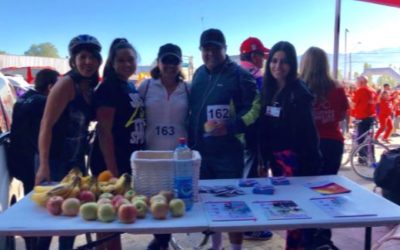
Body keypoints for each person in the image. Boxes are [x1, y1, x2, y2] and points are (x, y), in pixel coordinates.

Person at [188, 28, 259, 250]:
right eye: (205, 49)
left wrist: (231, 127)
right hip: (201, 153)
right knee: (209, 202)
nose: (210, 53)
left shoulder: (239, 75)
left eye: (214, 48)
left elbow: (255, 107)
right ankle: (216, 246)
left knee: (232, 204)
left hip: (229, 153)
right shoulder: (199, 74)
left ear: (224, 49)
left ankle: (236, 247)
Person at [35, 34, 102, 250]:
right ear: (73, 61)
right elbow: (46, 125)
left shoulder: (88, 86)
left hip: (75, 161)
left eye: (92, 57)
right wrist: (44, 164)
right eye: (82, 57)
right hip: (54, 161)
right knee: (47, 223)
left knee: (71, 217)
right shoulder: (66, 84)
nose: (88, 62)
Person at [258, 41, 323, 249]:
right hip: (276, 161)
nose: (278, 66)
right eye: (274, 61)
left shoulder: (298, 92)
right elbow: (265, 127)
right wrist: (263, 157)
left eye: (284, 61)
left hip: (295, 162)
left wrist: (312, 163)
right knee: (286, 209)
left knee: (295, 212)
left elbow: (309, 133)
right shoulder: (269, 89)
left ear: (292, 64)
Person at [90, 38, 145, 250]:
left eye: (130, 59)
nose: (126, 64)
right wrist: (113, 172)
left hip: (127, 161)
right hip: (110, 164)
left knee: (117, 213)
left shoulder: (129, 85)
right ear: (112, 63)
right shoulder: (108, 88)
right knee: (109, 216)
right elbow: (104, 133)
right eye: (121, 60)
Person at [138, 43, 189, 250]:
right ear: (158, 62)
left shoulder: (188, 88)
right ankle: (161, 240)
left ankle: (163, 240)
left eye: (174, 61)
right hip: (152, 156)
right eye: (165, 60)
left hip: (179, 157)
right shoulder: (146, 87)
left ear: (179, 64)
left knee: (176, 199)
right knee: (155, 200)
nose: (169, 65)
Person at [8, 68, 59, 250]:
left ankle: (31, 241)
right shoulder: (42, 102)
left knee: (30, 203)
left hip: (16, 159)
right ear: (51, 86)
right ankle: (35, 243)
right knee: (39, 207)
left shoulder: (22, 98)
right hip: (33, 160)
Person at [239, 37, 273, 241]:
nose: (264, 60)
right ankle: (249, 226)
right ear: (253, 55)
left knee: (242, 178)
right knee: (252, 180)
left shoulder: (233, 72)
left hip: (236, 136)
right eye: (262, 55)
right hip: (254, 137)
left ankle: (242, 222)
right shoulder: (257, 76)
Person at [300, 47, 349, 175]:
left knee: (304, 187)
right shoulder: (337, 88)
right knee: (328, 188)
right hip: (333, 143)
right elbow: (343, 116)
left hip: (306, 144)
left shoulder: (299, 88)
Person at [352, 75, 376, 163]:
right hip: (371, 117)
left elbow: (353, 104)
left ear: (361, 82)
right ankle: (372, 158)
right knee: (370, 139)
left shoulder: (360, 90)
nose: (356, 83)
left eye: (357, 82)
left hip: (362, 118)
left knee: (360, 139)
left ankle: (363, 159)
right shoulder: (373, 91)